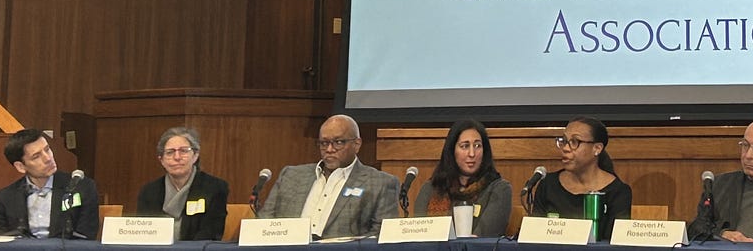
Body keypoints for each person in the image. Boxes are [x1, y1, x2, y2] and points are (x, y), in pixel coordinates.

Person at [261, 114, 399, 239]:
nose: (329, 149)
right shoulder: (291, 176)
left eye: (338, 142)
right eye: (324, 143)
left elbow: (381, 236)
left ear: (356, 144)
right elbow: (263, 222)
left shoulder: (380, 183)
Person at [529, 116, 632, 241]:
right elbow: (535, 237)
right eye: (564, 141)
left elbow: (616, 242)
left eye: (575, 142)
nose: (565, 148)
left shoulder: (618, 192)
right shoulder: (548, 185)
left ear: (597, 148)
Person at [0, 128, 101, 239]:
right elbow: (1, 240)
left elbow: (86, 237)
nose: (48, 158)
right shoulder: (5, 197)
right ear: (20, 167)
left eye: (47, 149)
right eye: (36, 156)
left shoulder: (80, 187)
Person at [413, 119, 512, 237]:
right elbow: (419, 237)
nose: (472, 153)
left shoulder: (498, 190)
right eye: (465, 146)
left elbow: (482, 240)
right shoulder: (430, 189)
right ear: (452, 151)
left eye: (477, 146)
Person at [133, 126, 229, 240]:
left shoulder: (215, 188)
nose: (177, 157)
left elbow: (212, 233)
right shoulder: (148, 192)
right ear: (161, 160)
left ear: (195, 156)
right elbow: (143, 235)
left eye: (183, 151)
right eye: (170, 152)